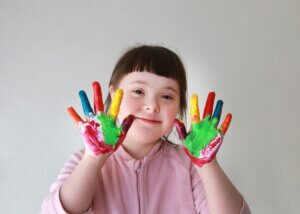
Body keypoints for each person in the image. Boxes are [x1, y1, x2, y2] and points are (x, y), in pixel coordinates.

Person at [41, 45, 251, 213]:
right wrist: (93, 160)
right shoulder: (83, 161)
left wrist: (208, 166)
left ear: (179, 107)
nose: (152, 105)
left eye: (167, 96)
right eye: (139, 91)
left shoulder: (188, 167)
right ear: (114, 95)